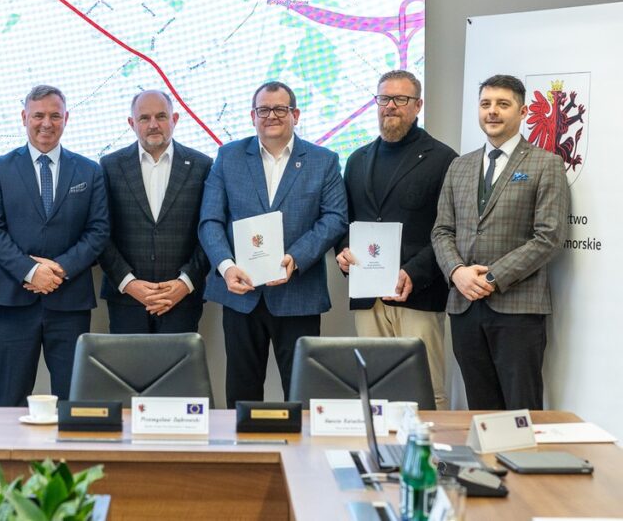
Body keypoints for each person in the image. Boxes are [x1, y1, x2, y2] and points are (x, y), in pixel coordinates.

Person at [199, 81, 347, 407]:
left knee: (302, 394)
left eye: (280, 109)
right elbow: (210, 221)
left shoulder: (323, 160)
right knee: (241, 392)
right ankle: (246, 457)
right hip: (241, 294)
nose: (271, 116)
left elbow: (335, 219)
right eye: (264, 109)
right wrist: (226, 266)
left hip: (298, 294)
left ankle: (300, 458)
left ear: (295, 114)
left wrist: (296, 256)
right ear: (253, 115)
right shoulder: (229, 156)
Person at [432, 74, 569, 410]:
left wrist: (491, 278)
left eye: (502, 104)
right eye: (485, 104)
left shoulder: (546, 164)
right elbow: (441, 231)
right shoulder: (459, 166)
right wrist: (458, 273)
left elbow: (548, 237)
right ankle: (487, 465)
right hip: (464, 306)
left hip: (517, 309)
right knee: (481, 410)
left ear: (522, 112)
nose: (492, 112)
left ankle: (524, 464)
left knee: (522, 410)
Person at [0, 85, 109, 406]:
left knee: (72, 400)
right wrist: (31, 270)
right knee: (11, 398)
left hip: (70, 303)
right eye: (38, 115)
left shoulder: (89, 171)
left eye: (55, 116)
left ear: (67, 118)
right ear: (25, 117)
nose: (46, 123)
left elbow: (98, 231)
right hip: (14, 302)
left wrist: (59, 270)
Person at [335, 71, 457, 409]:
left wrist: (413, 273)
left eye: (400, 99)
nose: (391, 106)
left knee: (424, 394)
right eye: (384, 99)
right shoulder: (357, 159)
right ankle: (381, 461)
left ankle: (429, 461)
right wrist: (342, 252)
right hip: (368, 295)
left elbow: (450, 230)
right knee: (374, 392)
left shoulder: (443, 159)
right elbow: (346, 222)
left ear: (418, 105)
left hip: (416, 293)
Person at [98, 90, 212, 333]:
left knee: (178, 372)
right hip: (126, 300)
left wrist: (185, 283)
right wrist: (130, 283)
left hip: (181, 300)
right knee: (128, 372)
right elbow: (100, 232)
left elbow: (210, 231)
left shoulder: (202, 165)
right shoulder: (109, 166)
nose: (153, 125)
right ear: (131, 123)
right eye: (144, 118)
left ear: (175, 119)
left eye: (161, 116)